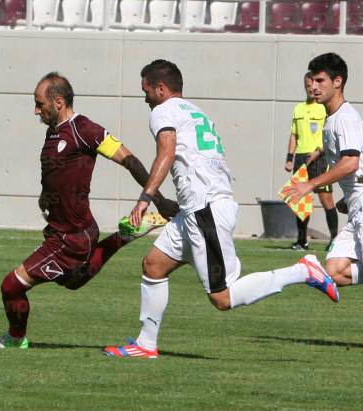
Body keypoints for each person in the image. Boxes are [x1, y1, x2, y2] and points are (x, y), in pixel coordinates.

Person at [103, 59, 339, 359]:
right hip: (198, 209)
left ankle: (302, 271)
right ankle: (145, 344)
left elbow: (167, 150)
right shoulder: (194, 110)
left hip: (205, 210)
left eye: (146, 90)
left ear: (160, 89)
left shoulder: (163, 111)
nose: (145, 98)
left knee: (222, 297)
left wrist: (145, 198)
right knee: (154, 265)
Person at [0, 72, 180, 349]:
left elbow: (130, 161)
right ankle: (124, 235)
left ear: (58, 101)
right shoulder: (54, 132)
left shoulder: (85, 130)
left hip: (72, 236)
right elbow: (55, 174)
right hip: (60, 231)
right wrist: (45, 197)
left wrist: (158, 199)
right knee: (72, 281)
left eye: (40, 103)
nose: (36, 110)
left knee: (11, 286)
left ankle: (15, 339)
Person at [283, 53, 363, 290]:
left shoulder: (345, 118)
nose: (314, 87)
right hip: (357, 206)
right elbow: (359, 169)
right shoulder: (331, 119)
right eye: (312, 81)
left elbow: (350, 162)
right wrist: (349, 197)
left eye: (320, 81)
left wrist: (309, 184)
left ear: (337, 82)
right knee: (335, 271)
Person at [285, 72, 337, 251]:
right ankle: (302, 241)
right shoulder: (298, 108)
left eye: (314, 84)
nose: (311, 88)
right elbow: (294, 135)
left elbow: (329, 136)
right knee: (300, 200)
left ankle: (335, 239)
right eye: (308, 85)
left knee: (326, 199)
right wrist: (290, 158)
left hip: (320, 158)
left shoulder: (324, 108)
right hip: (300, 158)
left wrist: (317, 152)